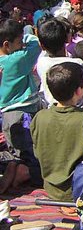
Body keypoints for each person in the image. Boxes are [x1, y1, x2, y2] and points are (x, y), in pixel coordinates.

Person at [30, 63, 83, 202]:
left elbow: (37, 152)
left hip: (51, 189)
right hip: (79, 189)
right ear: (79, 90)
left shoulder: (40, 117)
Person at [0, 19, 42, 193]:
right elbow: (36, 44)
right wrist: (27, 34)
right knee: (28, 154)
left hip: (7, 114)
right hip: (20, 111)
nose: (22, 45)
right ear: (7, 44)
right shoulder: (16, 60)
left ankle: (13, 169)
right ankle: (18, 174)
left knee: (14, 149)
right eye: (19, 42)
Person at [37, 18, 83, 108]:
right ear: (67, 39)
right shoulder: (77, 64)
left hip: (52, 109)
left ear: (41, 45)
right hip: (78, 111)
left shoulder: (41, 62)